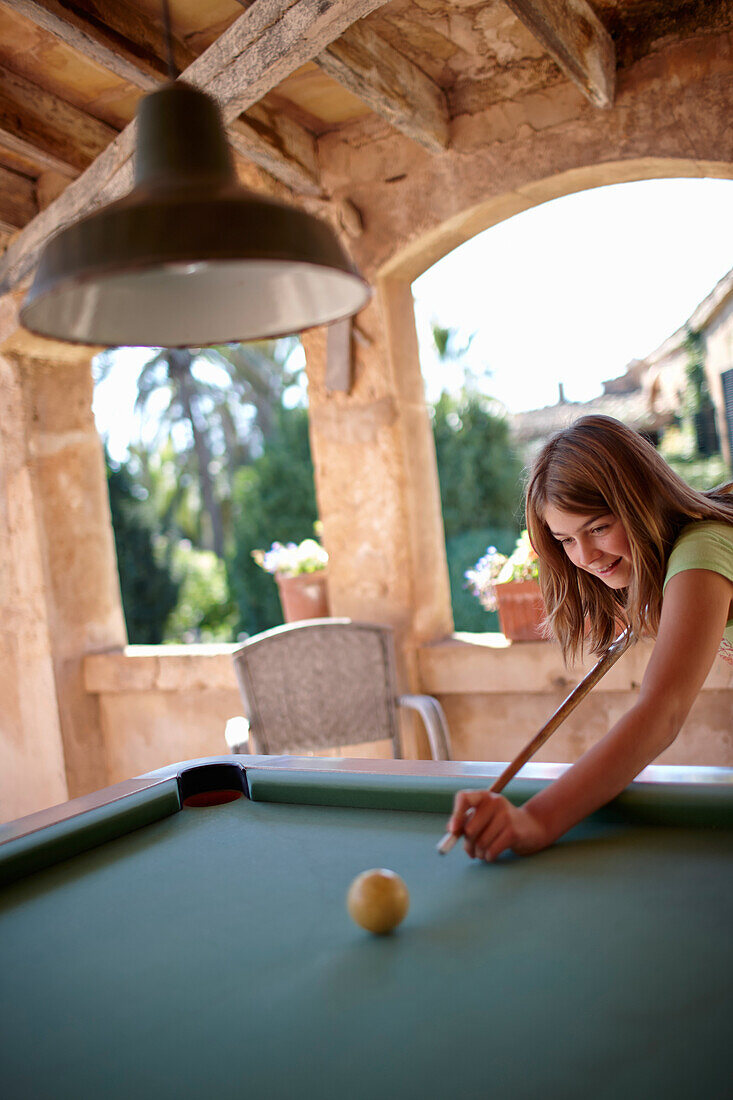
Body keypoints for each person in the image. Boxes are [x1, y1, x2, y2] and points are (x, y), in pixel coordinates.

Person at [447, 414, 733, 862]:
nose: (586, 556)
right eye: (565, 539)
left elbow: (664, 712)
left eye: (598, 528)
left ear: (642, 499)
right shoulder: (680, 560)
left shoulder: (700, 552)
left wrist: (537, 819)